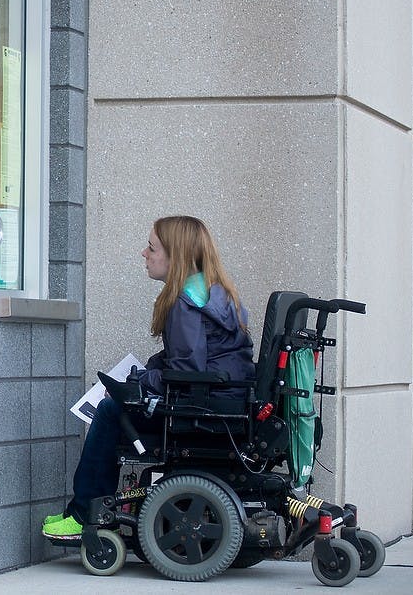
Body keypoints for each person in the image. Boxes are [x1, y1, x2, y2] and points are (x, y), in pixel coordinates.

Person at [41, 215, 255, 539]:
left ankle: (85, 512)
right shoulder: (215, 293)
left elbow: (188, 372)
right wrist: (146, 374)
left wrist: (138, 386)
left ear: (176, 255)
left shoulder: (187, 303)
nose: (145, 253)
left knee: (111, 411)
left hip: (205, 411)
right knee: (119, 401)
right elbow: (187, 359)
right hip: (225, 403)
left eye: (152, 247)